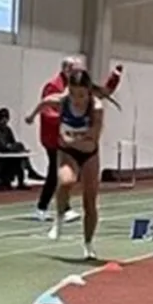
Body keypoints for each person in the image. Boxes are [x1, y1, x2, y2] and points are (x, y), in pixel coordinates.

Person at [25, 70, 120, 260]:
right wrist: (32, 116)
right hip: (68, 153)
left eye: (82, 95)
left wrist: (70, 140)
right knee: (66, 181)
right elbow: (45, 102)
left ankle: (88, 244)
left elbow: (93, 138)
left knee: (89, 203)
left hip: (89, 153)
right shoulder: (62, 101)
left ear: (89, 92)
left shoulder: (96, 107)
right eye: (73, 94)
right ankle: (59, 219)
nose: (77, 100)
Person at [33, 58, 122, 222]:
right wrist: (67, 120)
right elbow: (48, 109)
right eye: (76, 69)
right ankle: (43, 207)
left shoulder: (79, 86)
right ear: (67, 69)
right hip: (55, 137)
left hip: (73, 138)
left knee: (67, 173)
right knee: (56, 172)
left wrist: (114, 78)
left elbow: (102, 93)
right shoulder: (54, 86)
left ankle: (61, 207)